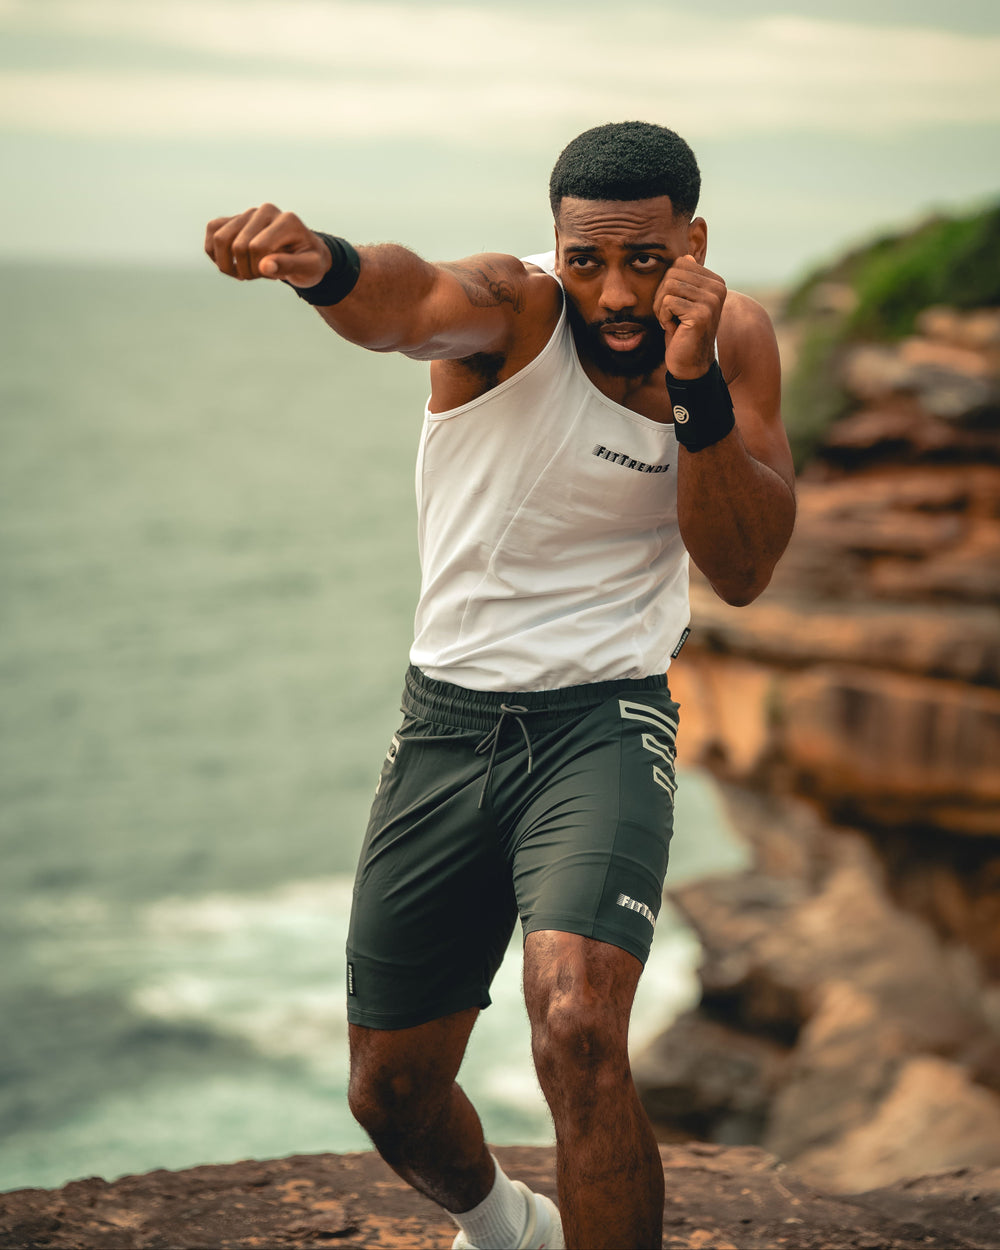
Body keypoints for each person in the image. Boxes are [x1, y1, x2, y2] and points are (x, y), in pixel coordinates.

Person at [205, 120, 795, 1250]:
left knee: (576, 1023)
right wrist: (320, 261)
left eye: (644, 259)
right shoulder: (513, 310)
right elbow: (407, 299)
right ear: (555, 247)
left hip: (604, 720)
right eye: (586, 260)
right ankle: (504, 1226)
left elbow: (742, 564)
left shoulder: (735, 342)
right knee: (391, 1093)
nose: (613, 291)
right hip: (449, 720)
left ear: (694, 240)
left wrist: (693, 390)